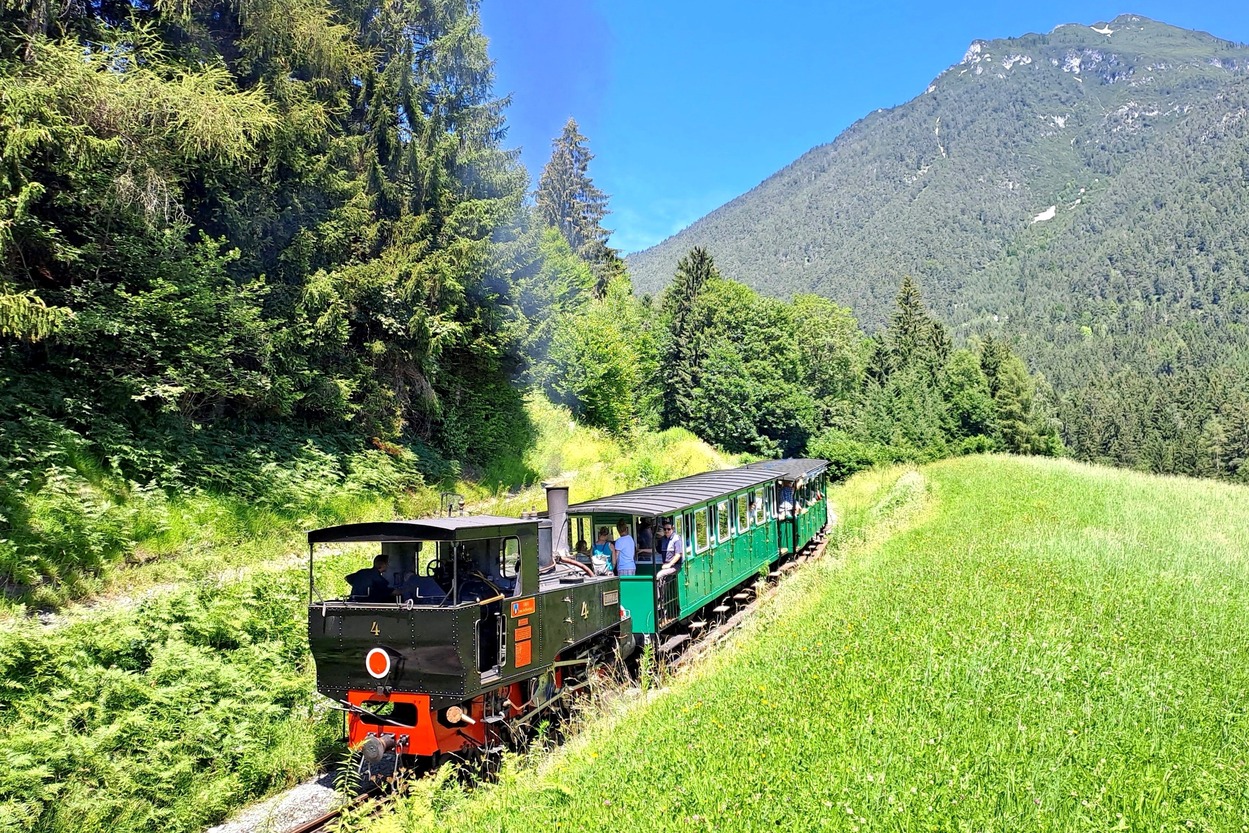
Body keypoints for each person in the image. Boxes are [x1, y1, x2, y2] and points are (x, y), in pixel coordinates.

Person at [655, 519, 684, 585]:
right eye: (665, 529)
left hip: (676, 566)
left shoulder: (676, 539)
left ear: (672, 529)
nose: (666, 531)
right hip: (666, 565)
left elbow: (678, 555)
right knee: (662, 580)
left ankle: (660, 595)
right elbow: (656, 550)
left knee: (659, 575)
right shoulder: (662, 539)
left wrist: (669, 564)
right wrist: (642, 550)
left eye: (668, 529)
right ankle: (662, 594)